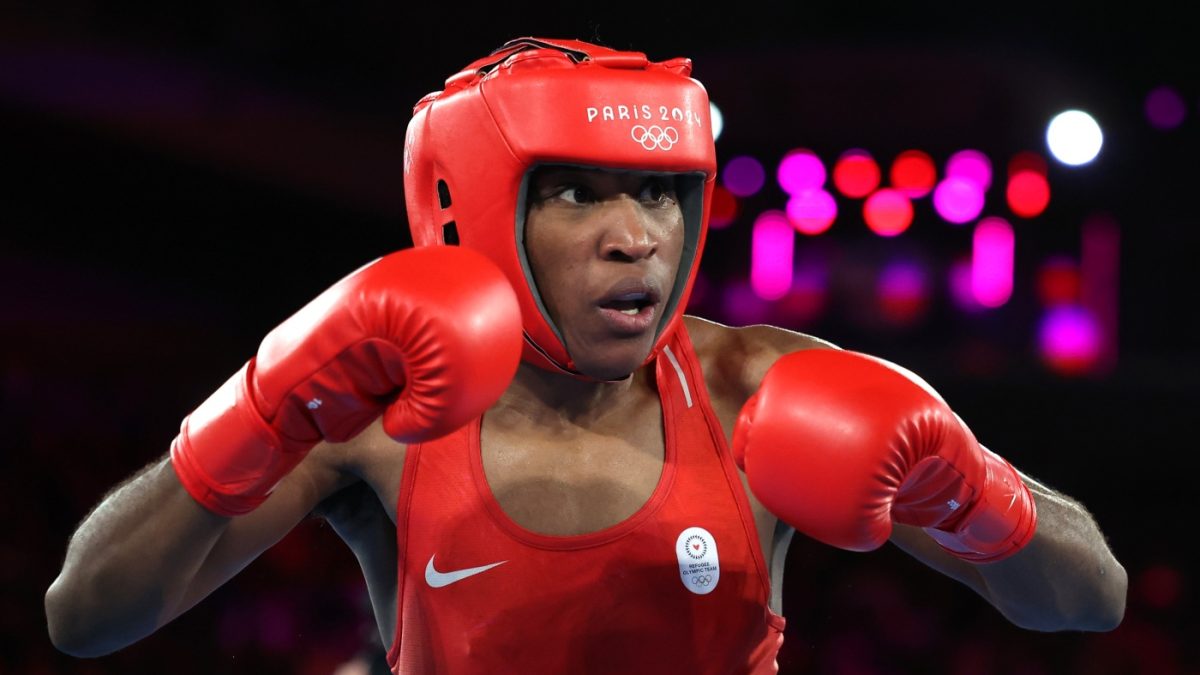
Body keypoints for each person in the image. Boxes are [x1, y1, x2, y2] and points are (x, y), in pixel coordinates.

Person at [45, 37, 1127, 674]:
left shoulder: (763, 388)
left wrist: (971, 485)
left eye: (661, 190)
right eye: (576, 192)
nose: (636, 235)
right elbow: (88, 618)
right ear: (468, 208)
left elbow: (1087, 599)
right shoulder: (374, 410)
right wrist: (262, 403)